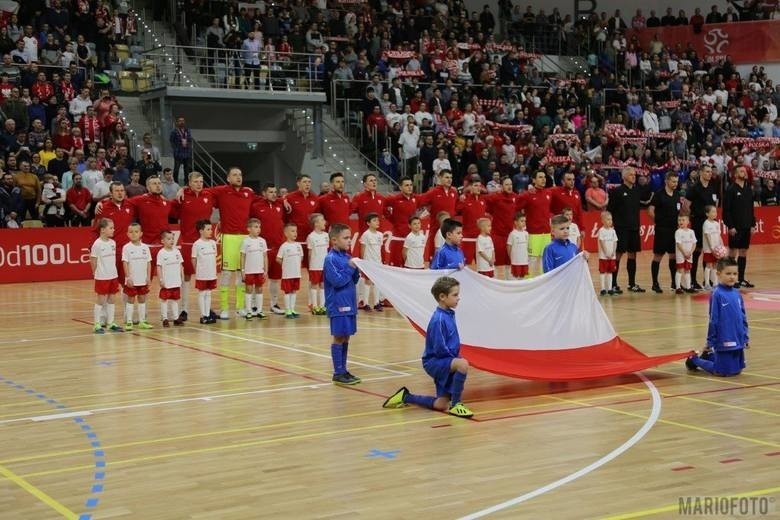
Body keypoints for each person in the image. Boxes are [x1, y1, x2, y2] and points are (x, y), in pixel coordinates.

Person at [382, 276, 474, 418]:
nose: (458, 298)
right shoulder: (439, 319)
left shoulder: (448, 314)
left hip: (444, 360)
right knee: (462, 364)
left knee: (440, 404)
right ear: (442, 297)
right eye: (455, 295)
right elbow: (440, 349)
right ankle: (456, 404)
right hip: (435, 362)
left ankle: (405, 397)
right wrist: (455, 361)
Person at [685, 258, 748, 376]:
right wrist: (710, 342)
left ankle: (709, 356)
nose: (732, 277)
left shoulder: (737, 294)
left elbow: (743, 317)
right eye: (728, 273)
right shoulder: (717, 294)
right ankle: (693, 359)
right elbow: (714, 320)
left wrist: (745, 336)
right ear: (718, 274)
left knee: (736, 370)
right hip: (724, 338)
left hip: (737, 338)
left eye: (735, 274)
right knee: (722, 372)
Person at [173, 172, 216, 322]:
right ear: (189, 183)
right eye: (196, 181)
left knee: (206, 276)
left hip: (206, 244)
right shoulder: (182, 196)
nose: (199, 184)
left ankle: (206, 309)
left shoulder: (209, 195)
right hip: (188, 243)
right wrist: (181, 190)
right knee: (185, 277)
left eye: (201, 181)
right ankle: (183, 309)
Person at [324, 223, 361, 385]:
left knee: (346, 337)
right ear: (334, 240)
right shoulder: (330, 259)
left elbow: (353, 280)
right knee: (338, 337)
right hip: (338, 305)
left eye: (350, 238)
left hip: (350, 304)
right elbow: (338, 281)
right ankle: (338, 372)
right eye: (345, 238)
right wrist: (350, 268)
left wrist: (356, 269)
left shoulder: (347, 257)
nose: (349, 241)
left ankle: (343, 370)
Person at [607, 166, 645, 293]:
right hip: (621, 228)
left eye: (634, 175)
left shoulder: (636, 191)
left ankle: (632, 284)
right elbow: (610, 210)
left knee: (632, 255)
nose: (633, 177)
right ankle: (613, 283)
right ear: (624, 177)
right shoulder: (617, 192)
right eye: (631, 175)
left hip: (634, 228)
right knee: (618, 254)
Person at [251, 182, 287, 315]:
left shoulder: (280, 205)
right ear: (264, 193)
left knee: (275, 278)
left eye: (275, 191)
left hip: (277, 248)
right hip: (261, 249)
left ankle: (274, 304)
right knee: (257, 277)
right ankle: (254, 305)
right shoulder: (256, 206)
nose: (274, 194)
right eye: (270, 192)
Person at [685, 165, 718, 290]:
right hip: (698, 222)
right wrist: (690, 218)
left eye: (711, 172)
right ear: (701, 173)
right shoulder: (694, 188)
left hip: (709, 223)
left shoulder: (712, 187)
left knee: (709, 251)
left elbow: (715, 203)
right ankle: (692, 280)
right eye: (707, 172)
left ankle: (707, 280)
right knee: (697, 251)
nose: (710, 174)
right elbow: (686, 205)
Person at [722, 165, 756, 288]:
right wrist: (730, 226)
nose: (745, 173)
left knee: (743, 252)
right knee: (733, 252)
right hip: (735, 227)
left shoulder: (748, 189)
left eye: (745, 171)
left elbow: (751, 209)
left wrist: (753, 224)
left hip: (747, 226)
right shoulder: (731, 190)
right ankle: (731, 279)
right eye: (742, 171)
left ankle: (740, 279)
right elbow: (726, 211)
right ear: (735, 174)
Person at [648, 171, 681, 293]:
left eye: (676, 181)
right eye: (673, 181)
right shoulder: (659, 194)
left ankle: (674, 282)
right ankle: (655, 283)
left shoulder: (677, 195)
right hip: (662, 230)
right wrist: (658, 221)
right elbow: (650, 210)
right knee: (658, 255)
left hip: (674, 230)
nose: (675, 184)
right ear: (666, 181)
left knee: (673, 256)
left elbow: (679, 211)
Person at [516, 170, 552, 277]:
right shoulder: (528, 195)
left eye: (544, 177)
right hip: (533, 233)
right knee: (532, 260)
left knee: (543, 260)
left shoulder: (548, 193)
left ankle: (542, 283)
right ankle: (528, 284)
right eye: (540, 177)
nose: (543, 179)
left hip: (546, 233)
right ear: (534, 180)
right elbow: (515, 206)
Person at [90, 218, 124, 334]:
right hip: (102, 276)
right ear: (103, 230)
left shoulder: (112, 243)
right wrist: (95, 273)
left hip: (113, 276)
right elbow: (93, 259)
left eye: (113, 227)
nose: (113, 230)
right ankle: (97, 324)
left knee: (112, 299)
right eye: (111, 228)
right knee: (101, 300)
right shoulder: (97, 244)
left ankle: (110, 323)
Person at [121, 223, 153, 330]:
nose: (133, 234)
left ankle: (142, 321)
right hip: (132, 280)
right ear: (127, 234)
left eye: (136, 231)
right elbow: (125, 263)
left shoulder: (145, 248)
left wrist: (148, 277)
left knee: (142, 299)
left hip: (142, 279)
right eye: (131, 232)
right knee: (130, 299)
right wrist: (128, 277)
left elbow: (149, 263)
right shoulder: (126, 248)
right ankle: (129, 321)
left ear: (141, 233)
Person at [384, 176, 420, 267]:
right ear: (400, 187)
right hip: (398, 239)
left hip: (412, 239)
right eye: (406, 185)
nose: (409, 187)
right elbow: (383, 206)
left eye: (411, 185)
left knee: (410, 266)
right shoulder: (394, 199)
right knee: (395, 267)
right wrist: (392, 219)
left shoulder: (415, 199)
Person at [240, 218, 269, 320]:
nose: (258, 229)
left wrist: (266, 270)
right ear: (249, 229)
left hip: (259, 270)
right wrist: (242, 271)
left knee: (259, 289)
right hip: (249, 271)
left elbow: (265, 256)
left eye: (259, 227)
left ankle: (259, 310)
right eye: (256, 227)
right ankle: (248, 311)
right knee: (249, 289)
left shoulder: (262, 241)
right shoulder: (245, 241)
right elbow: (242, 256)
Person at [192, 219, 219, 325]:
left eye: (211, 229)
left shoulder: (213, 243)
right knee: (202, 293)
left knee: (208, 293)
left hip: (211, 274)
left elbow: (214, 257)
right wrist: (197, 271)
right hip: (202, 274)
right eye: (208, 229)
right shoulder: (197, 244)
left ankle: (207, 314)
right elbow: (193, 259)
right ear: (201, 231)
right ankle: (203, 316)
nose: (211, 231)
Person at [157, 230, 185, 327]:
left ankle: (176, 318)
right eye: (168, 239)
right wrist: (161, 279)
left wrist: (182, 276)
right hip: (167, 282)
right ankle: (164, 318)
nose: (171, 241)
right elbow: (159, 267)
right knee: (164, 300)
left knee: (175, 300)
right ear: (162, 241)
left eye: (172, 238)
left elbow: (181, 265)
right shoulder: (161, 253)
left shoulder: (177, 252)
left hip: (176, 281)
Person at [277, 223, 304, 318]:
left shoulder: (298, 245)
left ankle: (292, 309)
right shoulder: (284, 246)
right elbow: (278, 259)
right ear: (286, 233)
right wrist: (286, 265)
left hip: (296, 273)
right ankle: (287, 310)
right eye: (292, 231)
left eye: (296, 231)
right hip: (287, 274)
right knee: (287, 291)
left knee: (294, 291)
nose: (295, 233)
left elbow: (301, 257)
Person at [359, 212, 385, 311]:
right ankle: (365, 303)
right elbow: (362, 249)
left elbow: (380, 249)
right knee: (368, 282)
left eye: (378, 220)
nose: (377, 222)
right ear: (368, 223)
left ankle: (376, 303)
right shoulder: (366, 234)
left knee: (377, 282)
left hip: (377, 263)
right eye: (374, 220)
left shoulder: (380, 235)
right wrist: (363, 263)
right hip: (368, 262)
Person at [306, 213, 329, 315]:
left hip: (324, 265)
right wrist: (311, 266)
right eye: (322, 220)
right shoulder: (311, 237)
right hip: (315, 265)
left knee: (323, 285)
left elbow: (327, 250)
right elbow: (310, 253)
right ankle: (314, 306)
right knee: (314, 285)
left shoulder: (326, 235)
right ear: (316, 223)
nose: (324, 222)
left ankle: (323, 306)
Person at [701, 205, 724, 290]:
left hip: (716, 249)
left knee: (715, 265)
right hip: (709, 249)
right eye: (713, 212)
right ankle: (707, 283)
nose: (715, 213)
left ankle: (715, 283)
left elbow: (719, 236)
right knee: (708, 265)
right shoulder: (706, 223)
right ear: (707, 214)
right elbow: (707, 236)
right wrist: (711, 248)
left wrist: (721, 245)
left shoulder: (716, 224)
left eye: (716, 212)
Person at [674, 214, 697, 294]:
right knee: (680, 269)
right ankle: (678, 287)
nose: (681, 222)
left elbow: (694, 243)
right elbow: (678, 244)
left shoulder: (691, 232)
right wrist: (684, 253)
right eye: (679, 220)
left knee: (687, 270)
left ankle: (688, 287)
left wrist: (690, 252)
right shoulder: (678, 232)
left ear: (688, 222)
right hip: (681, 254)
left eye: (683, 220)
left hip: (689, 254)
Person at [598, 211, 619, 295]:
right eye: (607, 219)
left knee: (610, 272)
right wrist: (606, 252)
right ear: (602, 221)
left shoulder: (613, 231)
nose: (610, 221)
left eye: (611, 219)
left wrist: (613, 252)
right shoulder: (601, 231)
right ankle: (603, 289)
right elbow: (602, 242)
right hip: (603, 256)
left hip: (612, 256)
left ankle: (609, 288)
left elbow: (615, 242)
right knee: (603, 271)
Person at [169, 116, 193, 185]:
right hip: (178, 152)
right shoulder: (174, 131)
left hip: (186, 152)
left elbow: (189, 139)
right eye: (180, 121)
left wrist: (188, 145)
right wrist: (175, 148)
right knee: (176, 169)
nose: (181, 122)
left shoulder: (187, 130)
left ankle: (186, 183)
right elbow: (171, 140)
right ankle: (175, 182)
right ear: (177, 122)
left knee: (187, 169)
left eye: (183, 121)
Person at [507, 212, 529, 279]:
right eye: (522, 221)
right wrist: (511, 258)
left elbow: (526, 247)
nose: (524, 223)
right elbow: (509, 247)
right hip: (516, 261)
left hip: (524, 261)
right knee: (515, 278)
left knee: (523, 277)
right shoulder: (512, 234)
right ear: (515, 222)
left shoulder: (526, 233)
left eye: (525, 221)